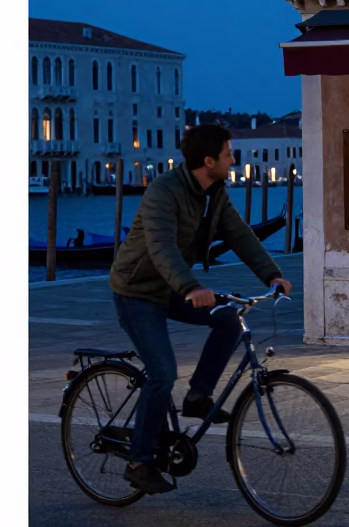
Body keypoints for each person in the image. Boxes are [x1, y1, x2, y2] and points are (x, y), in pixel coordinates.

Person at [109, 123, 292, 495]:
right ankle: (139, 462)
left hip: (175, 286)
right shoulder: (164, 191)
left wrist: (272, 275)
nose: (233, 160)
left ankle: (197, 398)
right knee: (162, 372)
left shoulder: (215, 193)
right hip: (138, 290)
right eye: (228, 154)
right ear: (209, 161)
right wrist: (191, 286)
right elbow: (161, 247)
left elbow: (241, 235)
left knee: (228, 317)